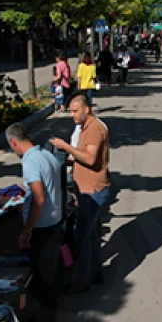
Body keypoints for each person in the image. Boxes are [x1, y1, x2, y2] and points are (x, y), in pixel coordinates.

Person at [50, 94, 110, 293]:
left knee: (82, 236)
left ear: (87, 109)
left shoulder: (94, 129)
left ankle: (82, 282)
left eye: (75, 111)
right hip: (86, 188)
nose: (72, 115)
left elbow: (91, 159)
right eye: (70, 111)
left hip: (92, 190)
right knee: (91, 235)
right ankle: (96, 273)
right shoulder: (84, 127)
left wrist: (66, 147)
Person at [6, 123, 63, 322]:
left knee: (38, 276)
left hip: (43, 226)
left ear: (14, 143)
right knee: (49, 270)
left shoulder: (30, 162)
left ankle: (45, 320)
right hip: (55, 220)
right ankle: (51, 307)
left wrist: (27, 230)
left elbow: (39, 198)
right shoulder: (46, 155)